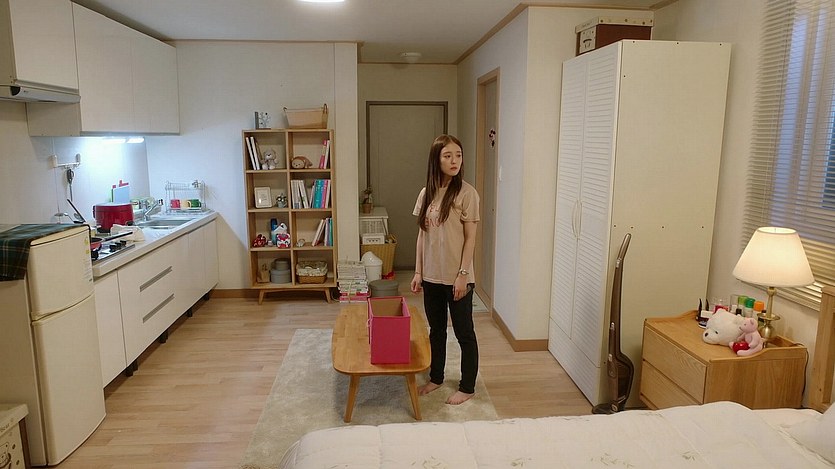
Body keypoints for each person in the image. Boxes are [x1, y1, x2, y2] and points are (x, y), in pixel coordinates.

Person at [410, 134, 480, 405]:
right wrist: (418, 272)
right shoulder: (426, 193)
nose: (454, 161)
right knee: (436, 330)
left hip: (457, 278)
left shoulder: (467, 194)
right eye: (448, 156)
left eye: (458, 155)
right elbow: (422, 235)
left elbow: (470, 239)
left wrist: (463, 275)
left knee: (464, 333)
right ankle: (436, 377)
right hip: (431, 277)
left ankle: (467, 386)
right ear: (436, 160)